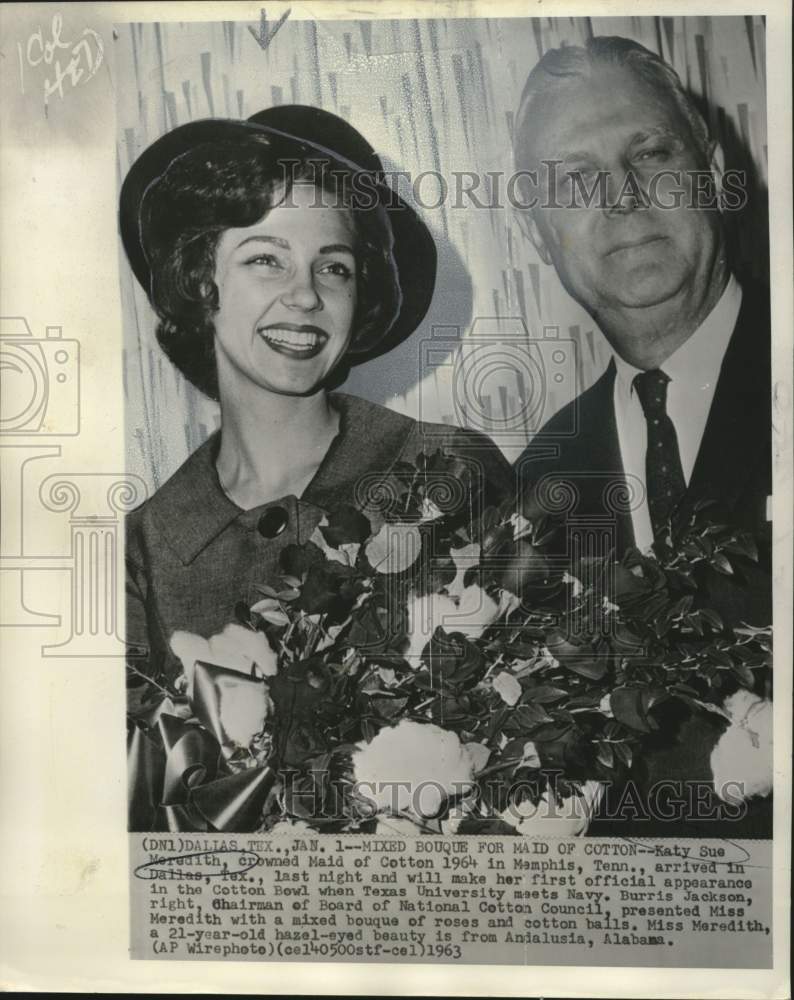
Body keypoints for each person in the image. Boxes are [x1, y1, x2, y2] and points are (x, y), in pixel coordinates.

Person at [122, 105, 513, 715]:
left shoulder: (448, 470)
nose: (305, 295)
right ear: (202, 281)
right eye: (265, 259)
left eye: (334, 267)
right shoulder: (144, 548)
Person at [511, 37, 771, 836]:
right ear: (536, 233)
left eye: (649, 152)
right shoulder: (535, 488)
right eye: (576, 180)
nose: (621, 197)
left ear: (718, 169)